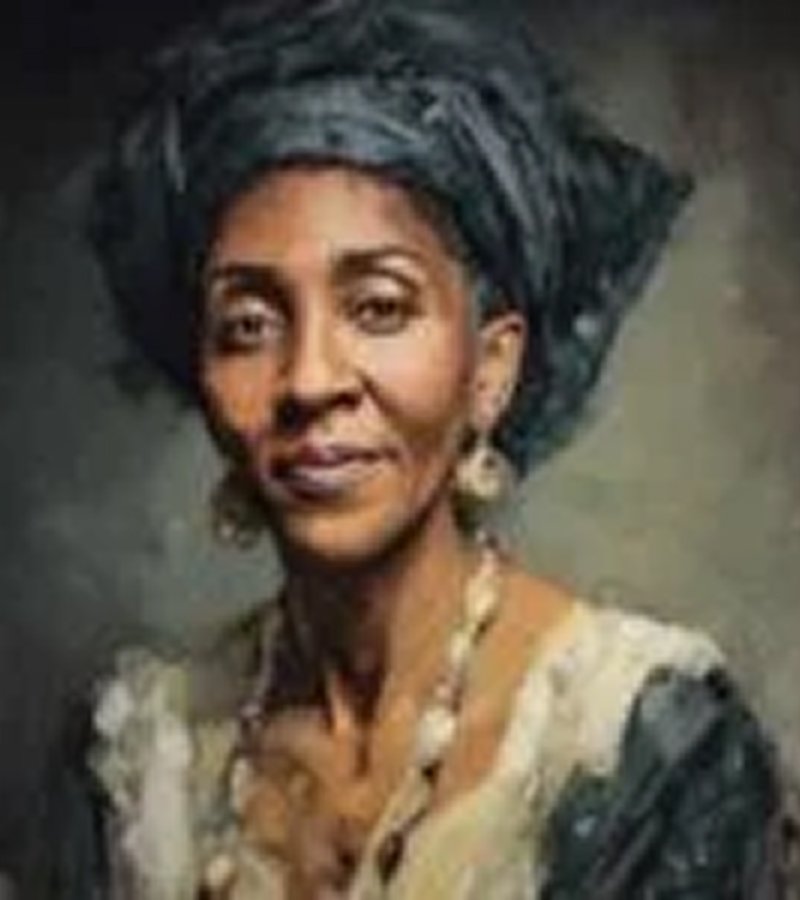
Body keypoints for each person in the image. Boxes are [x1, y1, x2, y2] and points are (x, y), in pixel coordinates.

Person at [43, 0, 796, 897]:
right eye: (248, 323)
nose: (308, 380)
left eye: (379, 307)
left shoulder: (648, 744)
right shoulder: (133, 762)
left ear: (491, 366)